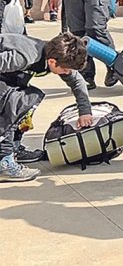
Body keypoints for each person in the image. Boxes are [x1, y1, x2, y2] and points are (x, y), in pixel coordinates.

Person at [0, 32, 91, 182]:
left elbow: (77, 82)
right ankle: (4, 162)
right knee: (16, 102)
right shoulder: (25, 56)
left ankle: (13, 148)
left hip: (6, 77)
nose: (68, 73)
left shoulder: (54, 54)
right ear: (52, 63)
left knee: (27, 99)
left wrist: (85, 111)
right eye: (66, 70)